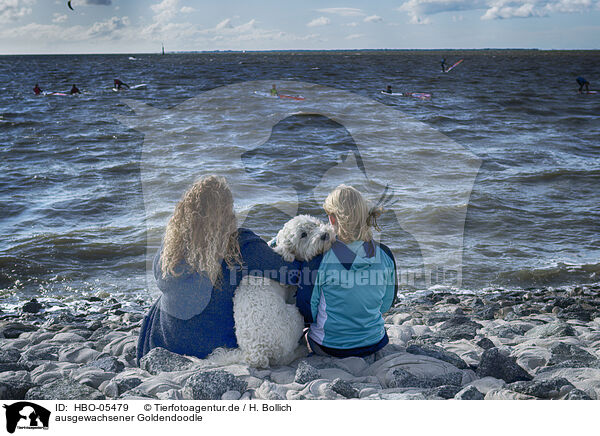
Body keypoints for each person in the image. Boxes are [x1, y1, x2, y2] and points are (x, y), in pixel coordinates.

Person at [136, 175, 301, 361]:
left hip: (167, 340)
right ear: (227, 213)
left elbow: (160, 279)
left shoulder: (170, 247)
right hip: (213, 344)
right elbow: (291, 273)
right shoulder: (242, 246)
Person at [296, 185, 398, 358]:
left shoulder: (320, 260)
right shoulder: (385, 254)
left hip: (331, 346)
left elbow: (307, 309)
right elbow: (387, 304)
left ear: (333, 219)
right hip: (374, 342)